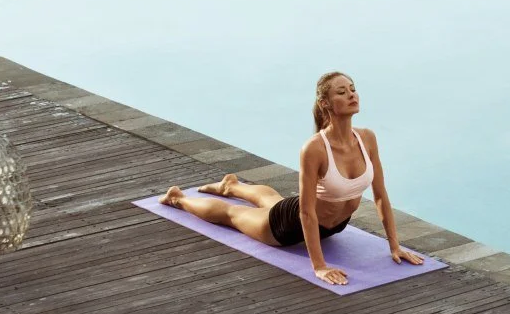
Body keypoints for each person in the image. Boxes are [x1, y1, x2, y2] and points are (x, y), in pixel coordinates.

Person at [161, 70, 426, 286]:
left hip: (334, 226)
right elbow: (307, 213)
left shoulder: (367, 138)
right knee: (231, 215)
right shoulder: (314, 148)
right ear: (325, 104)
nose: (351, 95)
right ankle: (179, 199)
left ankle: (231, 184)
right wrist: (319, 266)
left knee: (274, 199)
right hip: (287, 226)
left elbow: (380, 195)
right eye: (342, 92)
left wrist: (395, 246)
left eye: (353, 89)